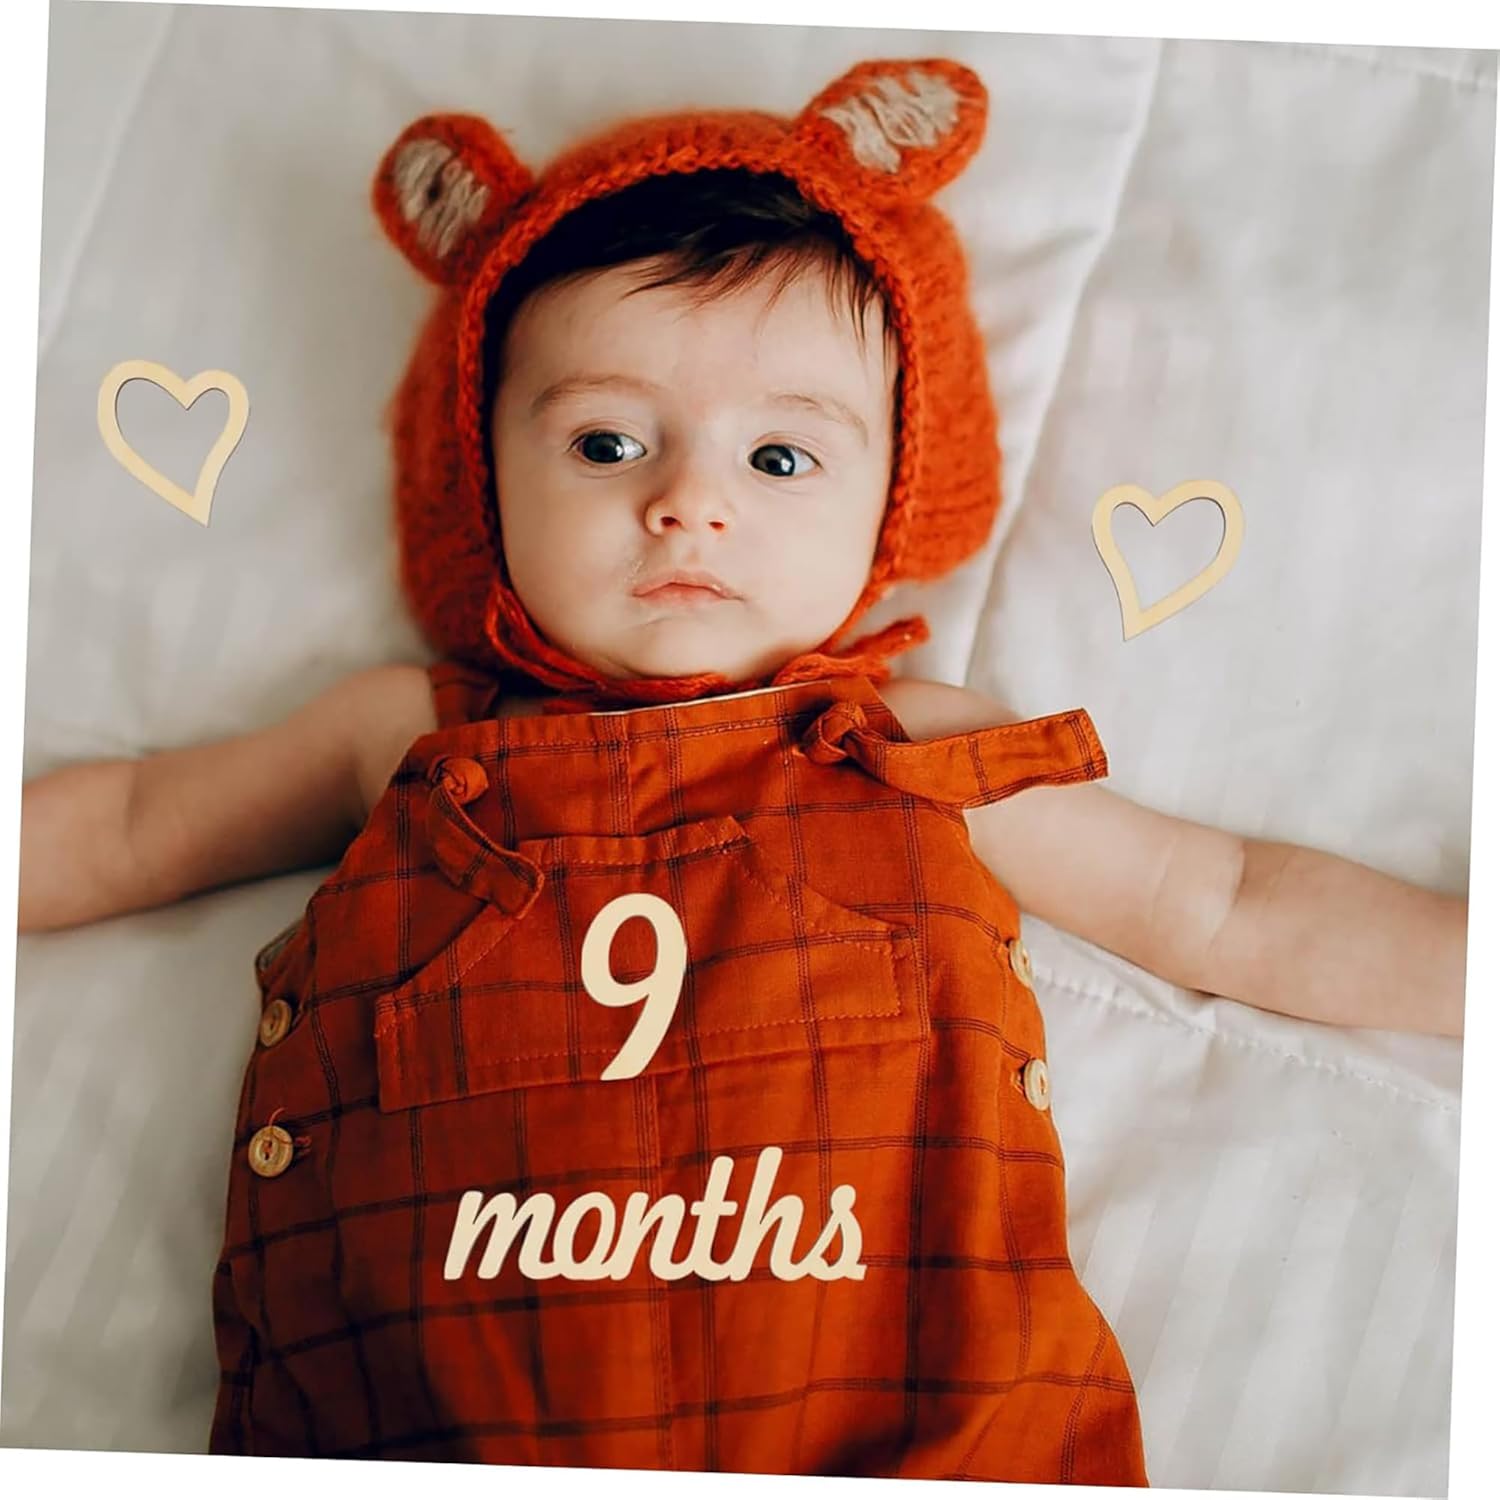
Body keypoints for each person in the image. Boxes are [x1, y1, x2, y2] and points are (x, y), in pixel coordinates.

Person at [16, 57, 1465, 1478]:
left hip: (901, 1424)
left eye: (779, 460)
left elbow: (1219, 900)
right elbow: (138, 825)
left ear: (896, 497)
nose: (686, 503)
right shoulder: (408, 737)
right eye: (605, 442)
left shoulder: (912, 746)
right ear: (480, 480)